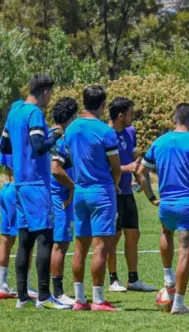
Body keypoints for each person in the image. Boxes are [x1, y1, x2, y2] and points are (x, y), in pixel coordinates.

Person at [138, 103, 189, 315]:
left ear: (174, 119)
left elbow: (141, 172)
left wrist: (152, 197)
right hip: (188, 204)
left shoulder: (159, 142)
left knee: (166, 232)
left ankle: (168, 278)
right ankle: (178, 304)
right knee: (186, 254)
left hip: (166, 205)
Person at [1, 75, 63, 309]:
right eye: (50, 94)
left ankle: (23, 297)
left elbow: (4, 145)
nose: (50, 99)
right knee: (45, 238)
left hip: (19, 184)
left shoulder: (14, 112)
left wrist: (18, 161)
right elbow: (39, 147)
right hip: (37, 184)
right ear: (45, 91)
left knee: (24, 241)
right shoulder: (34, 114)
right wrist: (55, 135)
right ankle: (45, 297)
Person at [64, 85, 124, 311]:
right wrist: (115, 184)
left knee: (80, 247)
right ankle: (98, 299)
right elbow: (116, 167)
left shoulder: (71, 129)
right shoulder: (105, 131)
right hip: (101, 192)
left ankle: (80, 299)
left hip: (80, 191)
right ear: (102, 104)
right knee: (101, 248)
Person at [107, 97, 154, 293]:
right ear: (120, 116)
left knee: (133, 234)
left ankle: (133, 279)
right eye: (130, 114)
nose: (132, 118)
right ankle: (113, 280)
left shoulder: (130, 132)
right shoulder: (105, 134)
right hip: (112, 192)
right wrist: (125, 168)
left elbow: (135, 159)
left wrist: (139, 176)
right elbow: (103, 166)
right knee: (113, 236)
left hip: (127, 192)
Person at [49, 98, 79, 307]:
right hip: (60, 196)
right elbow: (55, 169)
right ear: (70, 118)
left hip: (51, 195)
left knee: (53, 243)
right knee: (61, 243)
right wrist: (72, 186)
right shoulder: (61, 139)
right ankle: (58, 292)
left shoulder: (51, 135)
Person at [0, 155, 19, 298]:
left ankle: (2, 284)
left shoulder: (5, 138)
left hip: (5, 187)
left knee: (6, 239)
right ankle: (26, 285)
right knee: (27, 238)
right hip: (17, 188)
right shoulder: (23, 137)